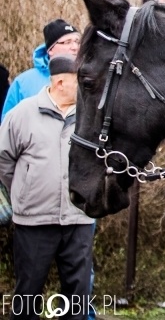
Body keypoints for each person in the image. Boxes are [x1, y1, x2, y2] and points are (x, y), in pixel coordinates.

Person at [0, 56, 94, 320]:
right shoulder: (22, 114)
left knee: (77, 299)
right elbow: (3, 159)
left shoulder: (92, 117)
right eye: (81, 82)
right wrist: (23, 191)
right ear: (61, 82)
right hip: (34, 222)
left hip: (78, 219)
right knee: (27, 295)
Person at [1, 18, 81, 121]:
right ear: (50, 49)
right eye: (67, 42)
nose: (75, 47)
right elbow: (7, 124)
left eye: (77, 42)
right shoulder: (23, 82)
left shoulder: (87, 79)